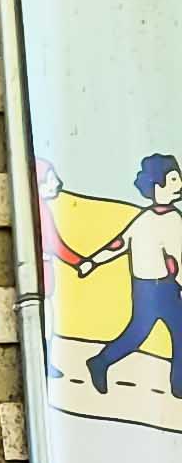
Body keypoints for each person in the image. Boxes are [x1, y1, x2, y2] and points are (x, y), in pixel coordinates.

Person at [79, 155, 182, 394]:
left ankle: (178, 385)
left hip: (158, 286)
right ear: (157, 186)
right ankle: (100, 362)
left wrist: (92, 262)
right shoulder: (157, 220)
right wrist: (93, 261)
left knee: (177, 332)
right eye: (174, 179)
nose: (179, 185)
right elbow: (122, 243)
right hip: (153, 288)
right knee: (137, 334)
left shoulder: (166, 218)